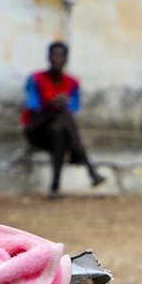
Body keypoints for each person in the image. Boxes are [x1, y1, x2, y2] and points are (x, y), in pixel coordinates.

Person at [24, 41, 105, 196]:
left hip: (58, 131)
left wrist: (58, 106)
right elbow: (33, 111)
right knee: (61, 115)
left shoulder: (72, 83)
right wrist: (51, 105)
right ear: (48, 57)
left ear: (66, 59)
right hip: (36, 129)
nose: (57, 59)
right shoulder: (36, 79)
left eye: (61, 56)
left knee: (58, 129)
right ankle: (88, 167)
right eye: (54, 55)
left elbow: (73, 109)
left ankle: (55, 186)